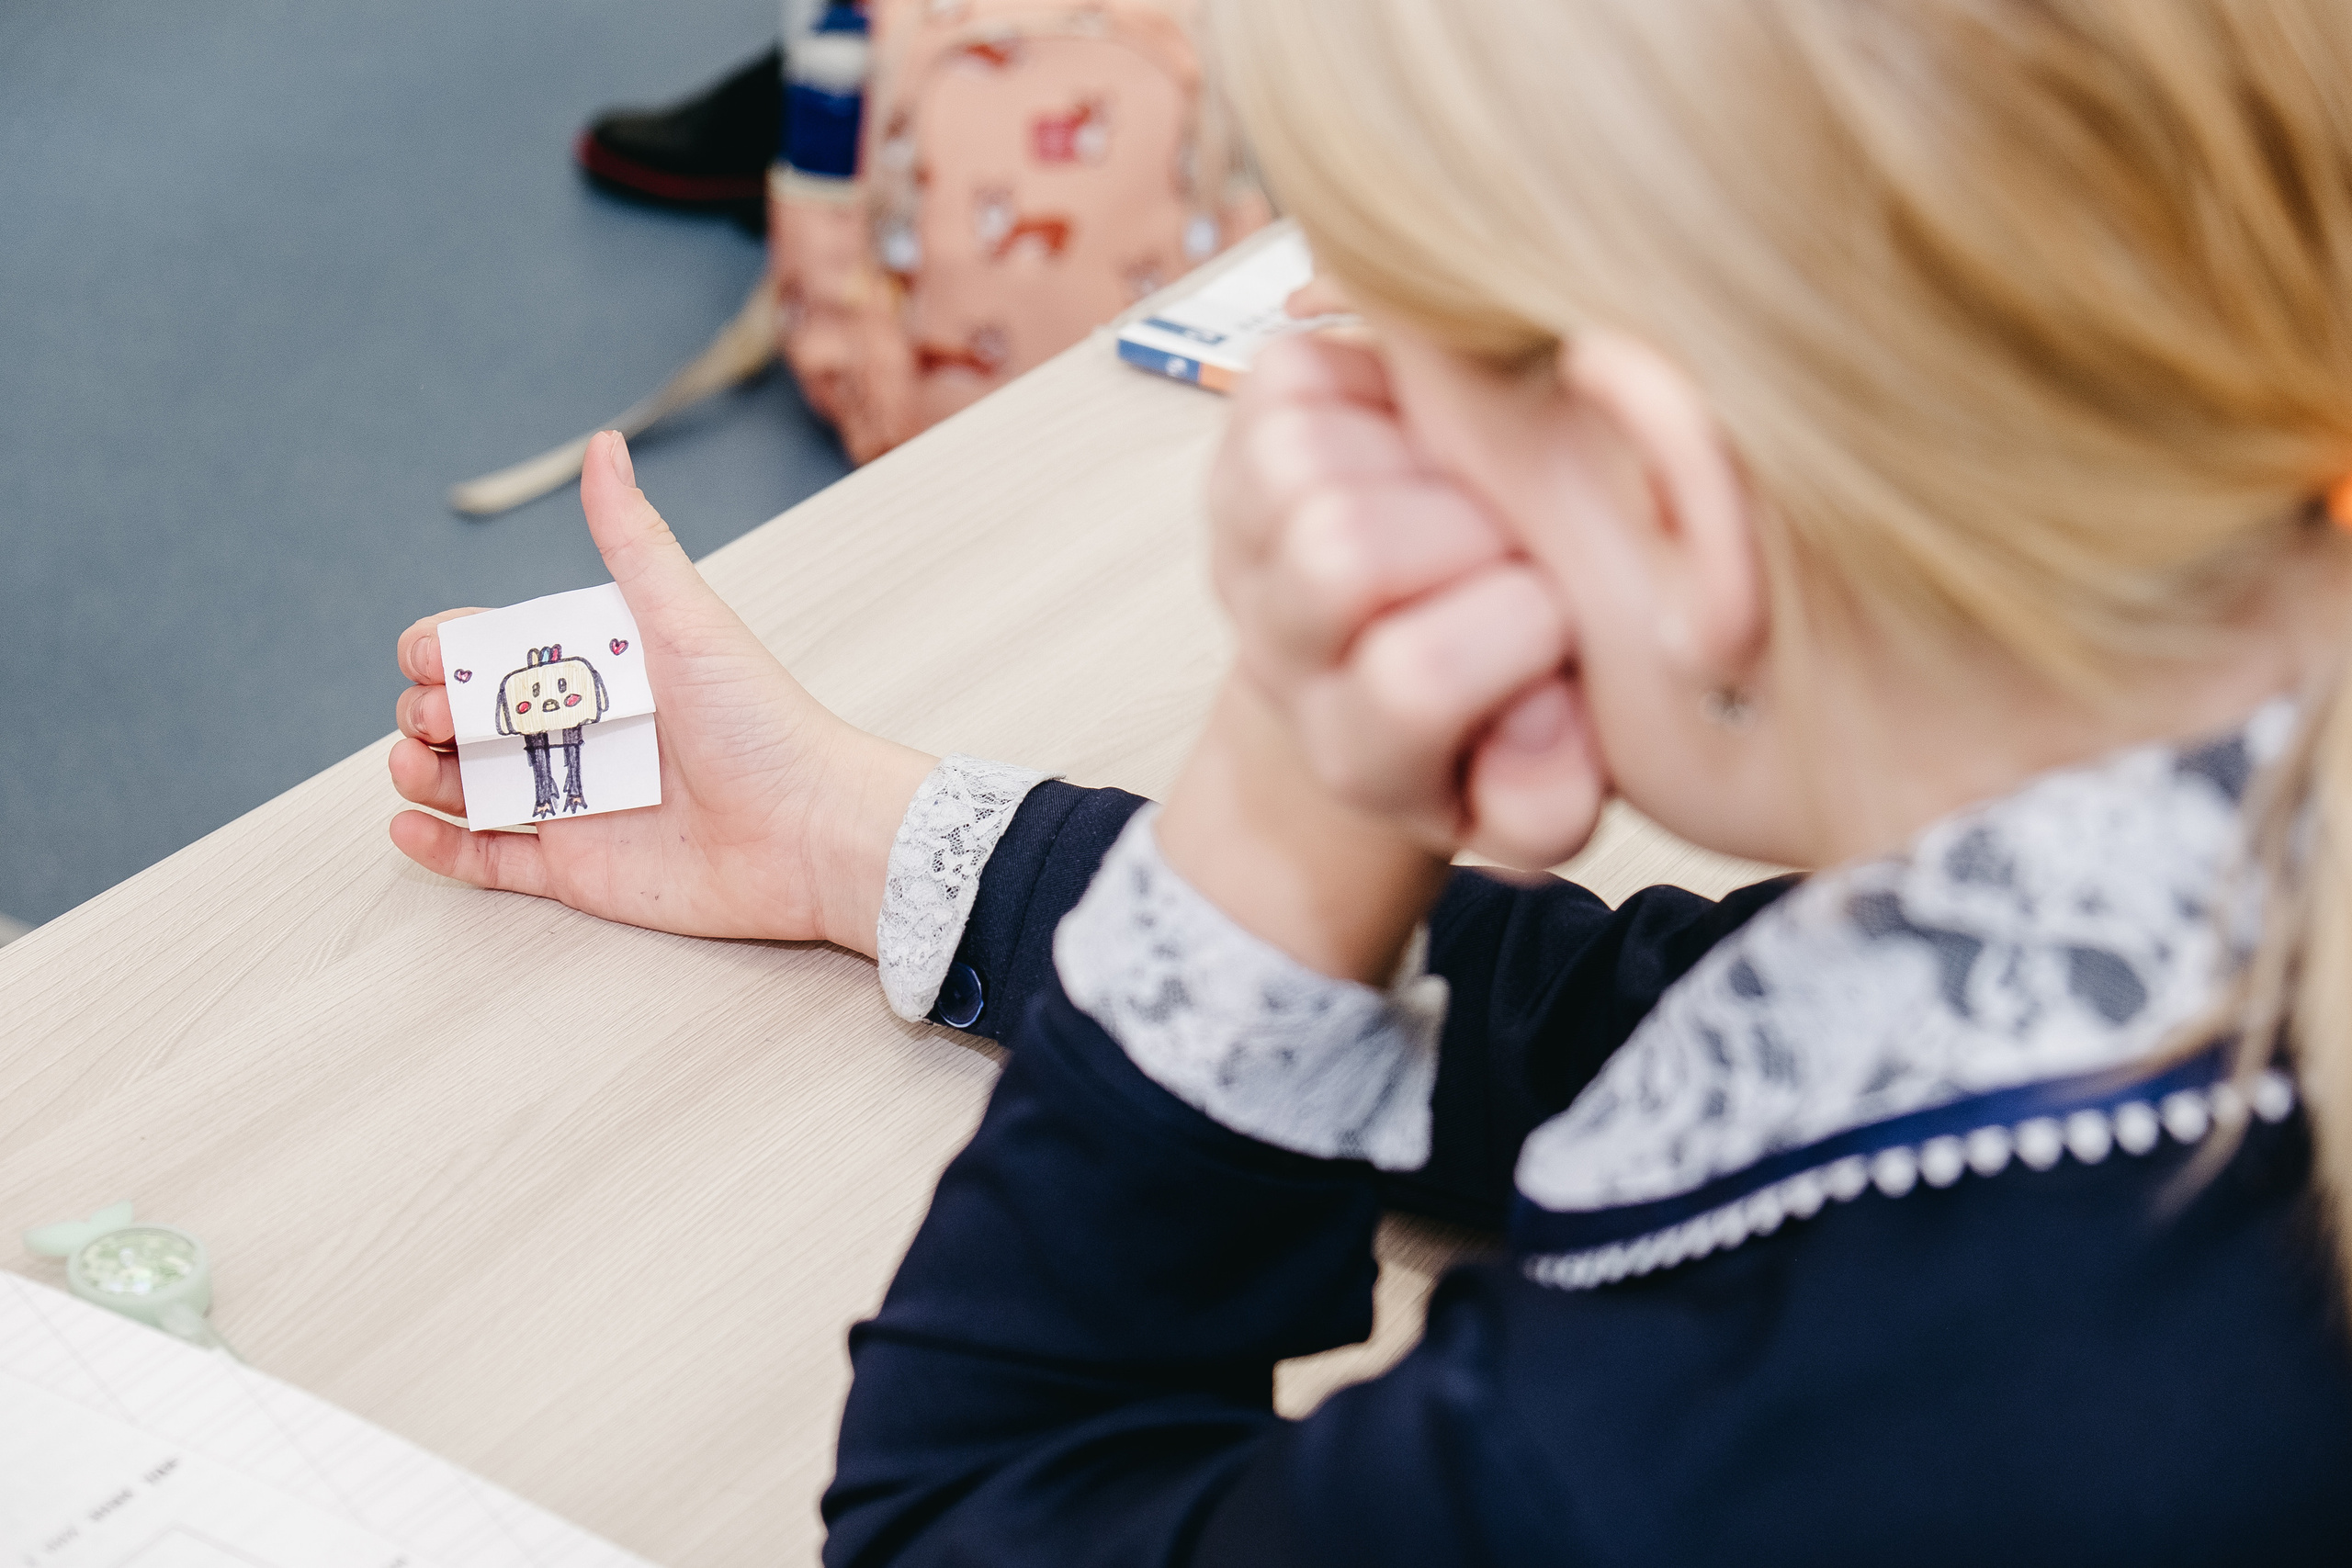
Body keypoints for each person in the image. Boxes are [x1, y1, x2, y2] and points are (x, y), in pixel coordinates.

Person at [391, 0, 2352, 1558]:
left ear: (1664, 506)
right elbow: (1642, 1021)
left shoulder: (1829, 1414)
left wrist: (1292, 785)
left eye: (1373, 319)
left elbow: (973, 1515)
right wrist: (869, 834)